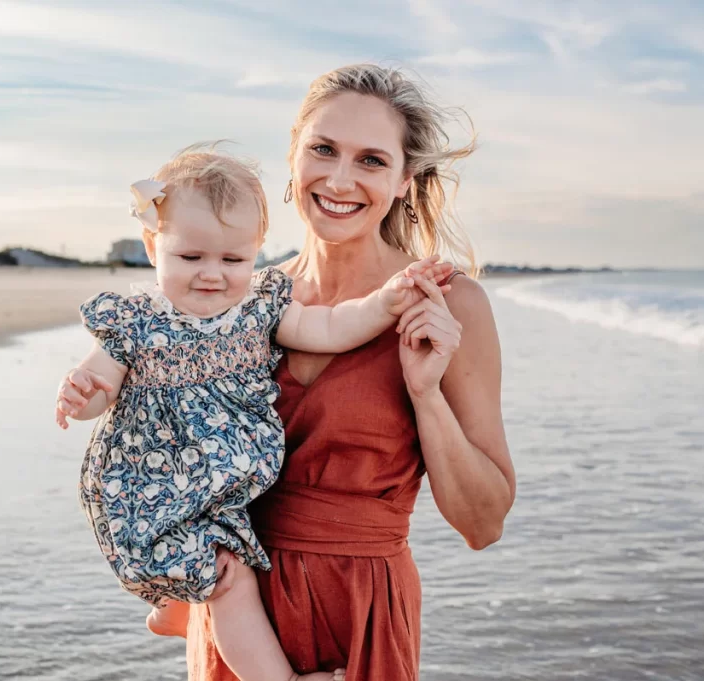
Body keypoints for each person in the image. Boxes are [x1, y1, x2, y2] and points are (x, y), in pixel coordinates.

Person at [54, 146, 452, 681]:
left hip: (228, 487)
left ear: (256, 253)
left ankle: (172, 603)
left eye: (232, 260)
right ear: (154, 248)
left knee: (218, 569)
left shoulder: (259, 309)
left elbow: (329, 328)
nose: (212, 276)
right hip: (156, 487)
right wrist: (82, 394)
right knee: (227, 580)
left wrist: (382, 304)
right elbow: (102, 384)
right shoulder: (138, 322)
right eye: (191, 258)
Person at [183, 64, 517, 681]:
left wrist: (425, 394)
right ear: (293, 155)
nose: (340, 179)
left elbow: (483, 523)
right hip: (238, 618)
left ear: (403, 180)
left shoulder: (448, 303)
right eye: (324, 149)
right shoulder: (241, 297)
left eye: (370, 160)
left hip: (361, 614)